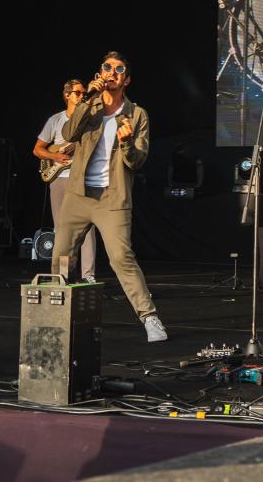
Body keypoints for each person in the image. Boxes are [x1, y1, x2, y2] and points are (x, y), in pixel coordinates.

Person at [52, 51, 166, 342]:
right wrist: (85, 100)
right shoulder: (89, 106)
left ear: (126, 79)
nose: (112, 72)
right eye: (107, 67)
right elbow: (69, 131)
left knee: (121, 258)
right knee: (62, 257)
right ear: (100, 73)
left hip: (112, 198)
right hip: (78, 195)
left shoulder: (137, 115)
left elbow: (138, 161)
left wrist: (126, 143)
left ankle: (150, 318)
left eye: (118, 69)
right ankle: (54, 320)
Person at [32, 78, 99, 280]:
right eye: (77, 93)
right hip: (59, 178)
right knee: (62, 229)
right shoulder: (55, 120)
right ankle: (62, 274)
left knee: (87, 226)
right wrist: (55, 157)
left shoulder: (90, 119)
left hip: (82, 178)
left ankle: (88, 275)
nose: (81, 96)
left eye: (83, 93)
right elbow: (37, 149)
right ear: (67, 95)